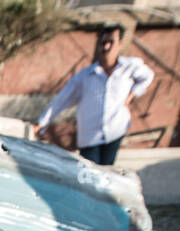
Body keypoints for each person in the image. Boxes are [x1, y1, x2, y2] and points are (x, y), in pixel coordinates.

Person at [35, 23, 154, 166]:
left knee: (106, 172)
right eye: (103, 43)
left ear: (119, 44)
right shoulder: (85, 76)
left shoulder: (129, 67)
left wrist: (131, 95)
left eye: (111, 42)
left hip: (115, 131)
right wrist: (42, 123)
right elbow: (62, 99)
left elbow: (147, 77)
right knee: (89, 173)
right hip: (90, 136)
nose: (106, 47)